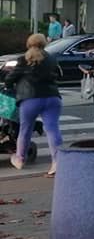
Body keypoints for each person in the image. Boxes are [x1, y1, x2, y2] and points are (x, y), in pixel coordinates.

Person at [3, 34, 62, 175]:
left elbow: (9, 79)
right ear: (44, 44)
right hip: (53, 98)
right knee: (53, 129)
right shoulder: (51, 58)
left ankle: (19, 158)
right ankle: (57, 162)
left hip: (30, 99)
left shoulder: (24, 59)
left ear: (28, 44)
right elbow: (59, 75)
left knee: (25, 130)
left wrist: (10, 84)